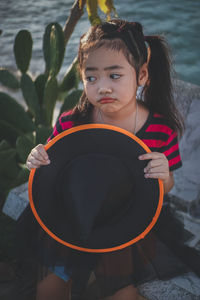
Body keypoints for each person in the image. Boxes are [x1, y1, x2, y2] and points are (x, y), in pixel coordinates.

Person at [24, 19, 187, 300]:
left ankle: (105, 280)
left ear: (142, 75)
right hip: (71, 218)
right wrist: (37, 158)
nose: (103, 88)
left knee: (121, 291)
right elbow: (52, 169)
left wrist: (163, 175)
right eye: (91, 77)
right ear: (82, 77)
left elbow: (167, 186)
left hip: (127, 223)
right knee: (49, 288)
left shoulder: (160, 129)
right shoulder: (72, 123)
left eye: (114, 75)